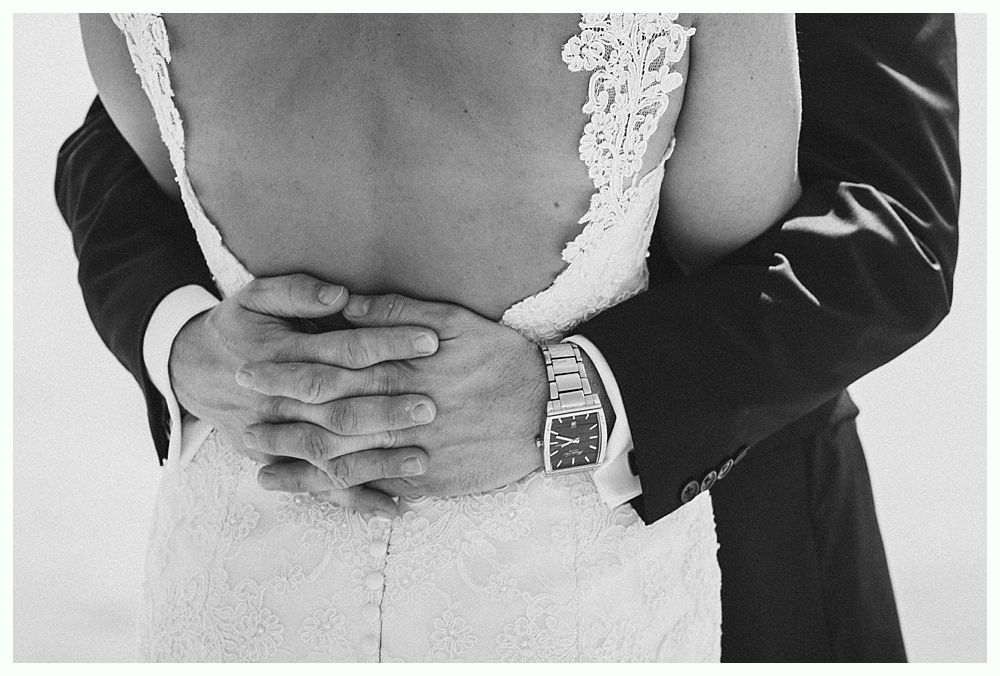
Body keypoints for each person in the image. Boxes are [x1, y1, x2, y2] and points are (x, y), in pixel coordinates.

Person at [55, 13, 959, 662]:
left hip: (722, 505)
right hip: (275, 533)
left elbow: (893, 225)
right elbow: (125, 147)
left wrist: (580, 394)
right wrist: (176, 338)